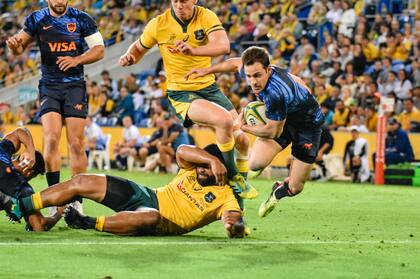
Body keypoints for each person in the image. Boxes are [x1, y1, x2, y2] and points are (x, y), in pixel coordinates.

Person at [118, 0, 255, 199]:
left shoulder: (206, 16)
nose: (179, 6)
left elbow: (223, 46)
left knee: (242, 140)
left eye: (184, 1)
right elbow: (139, 47)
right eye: (175, 1)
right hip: (182, 93)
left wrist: (194, 49)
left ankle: (238, 206)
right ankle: (234, 176)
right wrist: (130, 56)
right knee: (224, 120)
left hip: (209, 88)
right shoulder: (159, 24)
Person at [185, 46, 324, 217]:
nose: (253, 81)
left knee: (295, 188)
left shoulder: (276, 93)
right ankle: (251, 172)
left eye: (258, 75)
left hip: (307, 126)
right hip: (283, 117)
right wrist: (207, 70)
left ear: (268, 70)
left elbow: (273, 132)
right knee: (255, 164)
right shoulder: (250, 70)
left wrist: (243, 127)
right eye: (249, 76)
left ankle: (278, 190)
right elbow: (233, 63)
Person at [3, 144, 245, 238]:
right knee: (82, 180)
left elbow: (232, 218)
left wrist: (233, 226)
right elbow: (182, 150)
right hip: (149, 194)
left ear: (222, 168)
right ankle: (21, 205)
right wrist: (209, 160)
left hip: (160, 221)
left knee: (150, 216)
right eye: (202, 163)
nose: (202, 169)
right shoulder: (192, 168)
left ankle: (86, 222)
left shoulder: (225, 196)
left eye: (208, 165)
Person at [6, 0, 105, 213]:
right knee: (51, 139)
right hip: (49, 87)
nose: (60, 1)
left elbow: (99, 50)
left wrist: (77, 60)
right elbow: (18, 47)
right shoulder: (36, 19)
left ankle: (77, 201)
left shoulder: (81, 19)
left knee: (76, 143)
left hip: (75, 87)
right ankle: (55, 200)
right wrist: (14, 48)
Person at [0, 127, 61, 231]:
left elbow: (20, 131)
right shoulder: (21, 188)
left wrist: (30, 149)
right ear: (30, 173)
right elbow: (39, 225)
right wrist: (58, 214)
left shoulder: (4, 150)